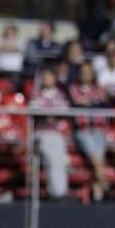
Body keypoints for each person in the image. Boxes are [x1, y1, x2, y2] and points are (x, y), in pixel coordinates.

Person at [69, 61, 109, 201]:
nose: (86, 74)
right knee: (96, 160)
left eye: (88, 71)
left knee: (97, 162)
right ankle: (104, 183)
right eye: (83, 71)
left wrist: (90, 103)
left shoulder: (99, 89)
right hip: (83, 131)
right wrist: (92, 103)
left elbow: (103, 104)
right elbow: (77, 103)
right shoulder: (74, 88)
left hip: (99, 130)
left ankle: (97, 197)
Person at [31, 69, 70, 200]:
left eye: (49, 76)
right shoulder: (37, 93)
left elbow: (64, 110)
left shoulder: (59, 94)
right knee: (52, 160)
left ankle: (60, 191)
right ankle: (56, 192)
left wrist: (50, 112)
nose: (47, 79)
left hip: (57, 133)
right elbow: (35, 109)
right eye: (45, 76)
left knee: (60, 161)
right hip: (42, 132)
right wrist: (50, 112)